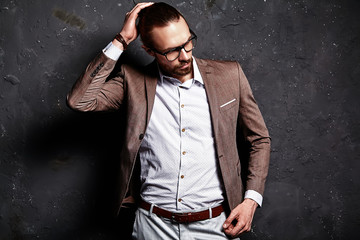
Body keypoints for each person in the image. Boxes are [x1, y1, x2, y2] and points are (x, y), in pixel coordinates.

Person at [67, 2, 271, 239]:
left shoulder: (230, 75)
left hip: (216, 225)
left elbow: (259, 139)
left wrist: (251, 200)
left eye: (187, 43)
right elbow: (79, 101)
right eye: (172, 51)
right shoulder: (132, 82)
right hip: (153, 227)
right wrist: (122, 39)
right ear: (149, 50)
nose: (184, 56)